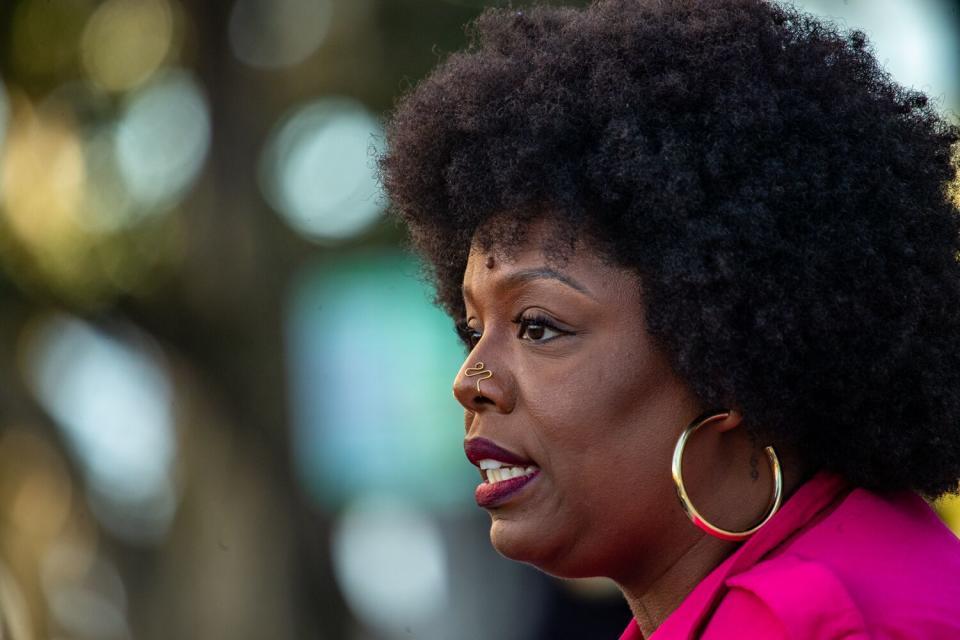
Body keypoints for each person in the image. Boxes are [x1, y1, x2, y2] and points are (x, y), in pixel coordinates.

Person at [379, 0, 960, 637]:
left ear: (727, 354)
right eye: (471, 327)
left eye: (537, 325)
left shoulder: (816, 621)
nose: (470, 379)